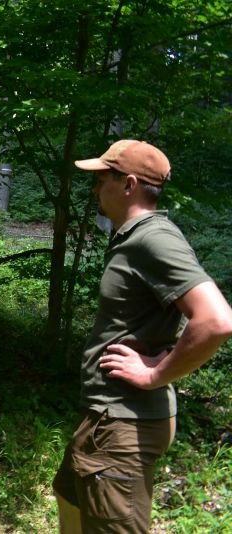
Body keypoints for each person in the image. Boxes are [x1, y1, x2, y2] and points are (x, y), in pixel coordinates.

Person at [53, 140, 232, 533]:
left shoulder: (154, 238)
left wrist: (155, 373)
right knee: (69, 496)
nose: (95, 188)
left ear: (129, 184)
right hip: (104, 418)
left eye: (102, 179)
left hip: (123, 423)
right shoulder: (131, 237)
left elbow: (216, 320)